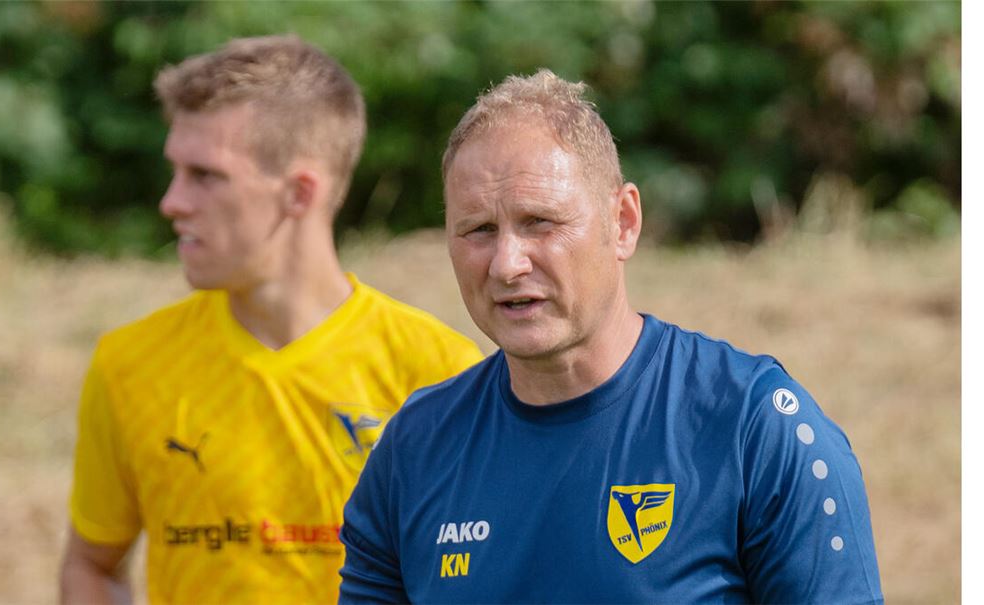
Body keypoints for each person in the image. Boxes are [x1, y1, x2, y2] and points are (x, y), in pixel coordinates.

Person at [339, 69, 883, 604]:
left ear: (622, 222)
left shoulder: (756, 426)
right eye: (479, 229)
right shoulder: (414, 448)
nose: (506, 264)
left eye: (540, 222)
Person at [59, 35, 482, 605]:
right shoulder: (127, 363)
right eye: (175, 171)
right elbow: (93, 564)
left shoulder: (441, 373)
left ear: (299, 192)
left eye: (205, 175)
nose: (171, 201)